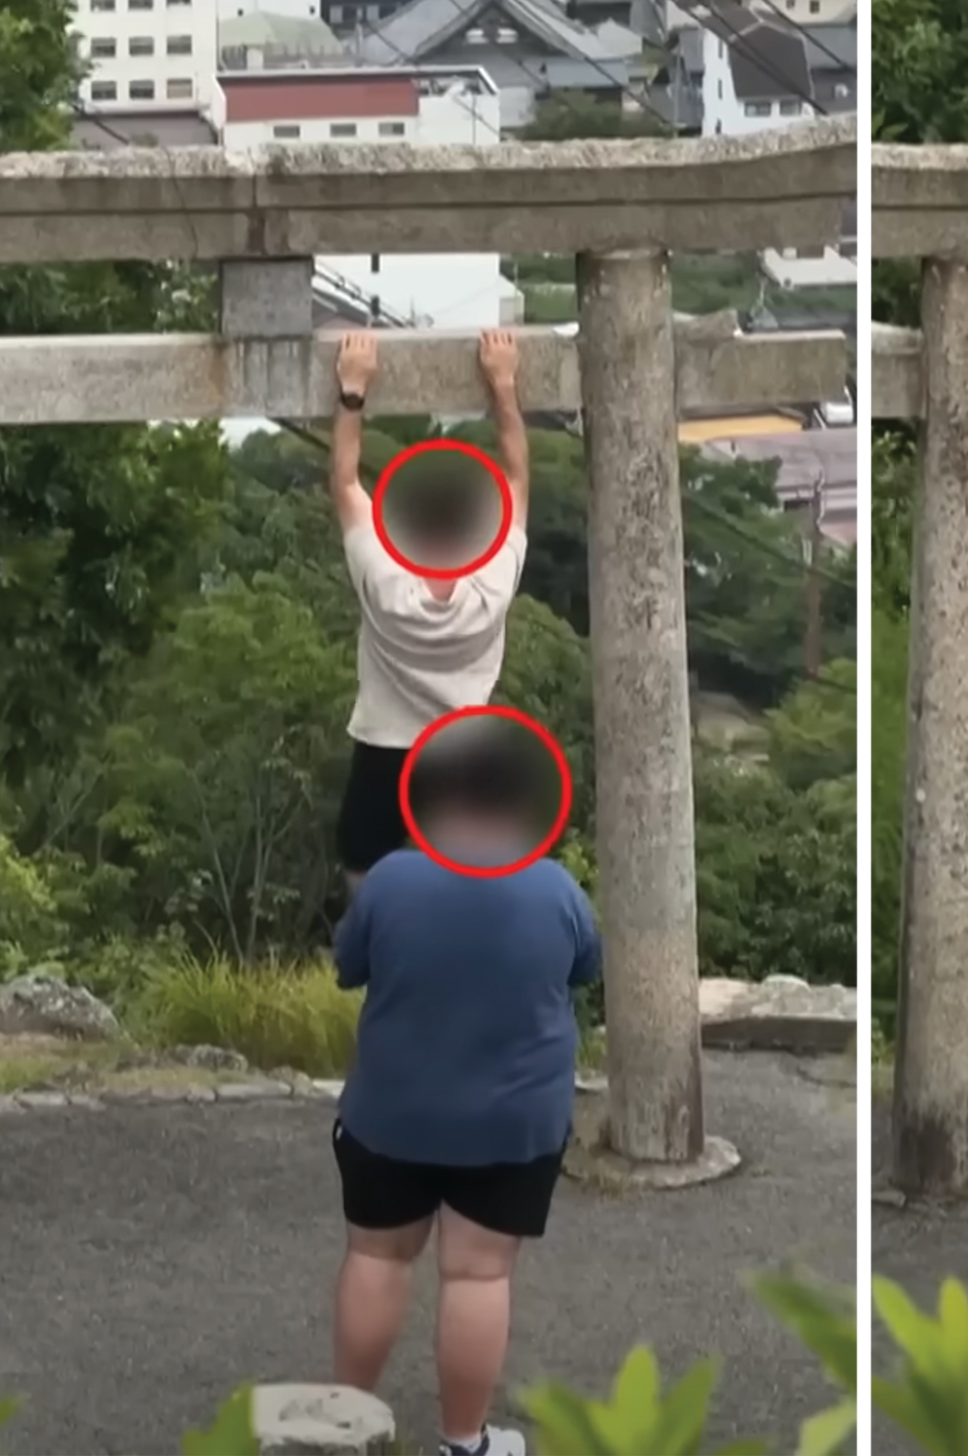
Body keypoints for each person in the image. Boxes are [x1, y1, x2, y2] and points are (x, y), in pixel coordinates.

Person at [329, 728, 603, 1456]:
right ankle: (463, 1443)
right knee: (478, 1274)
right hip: (512, 1124)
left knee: (377, 1258)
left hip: (391, 1113)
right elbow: (584, 968)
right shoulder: (556, 890)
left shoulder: (390, 879)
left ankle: (344, 1433)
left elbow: (348, 966)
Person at [331, 328, 532, 892]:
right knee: (469, 882)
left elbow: (346, 480)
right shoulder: (490, 587)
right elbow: (516, 478)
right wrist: (503, 384)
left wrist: (353, 389)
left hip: (384, 745)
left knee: (361, 861)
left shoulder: (387, 582)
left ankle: (379, 966)